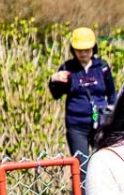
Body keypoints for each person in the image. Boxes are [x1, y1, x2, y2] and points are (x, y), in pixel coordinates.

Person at [49, 27, 116, 165]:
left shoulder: (102, 67)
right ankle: (81, 187)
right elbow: (56, 94)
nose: (83, 53)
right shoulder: (67, 68)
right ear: (73, 50)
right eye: (79, 50)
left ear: (93, 48)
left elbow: (111, 93)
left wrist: (112, 114)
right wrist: (54, 80)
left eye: (87, 50)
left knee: (103, 162)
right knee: (81, 166)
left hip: (100, 123)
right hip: (76, 125)